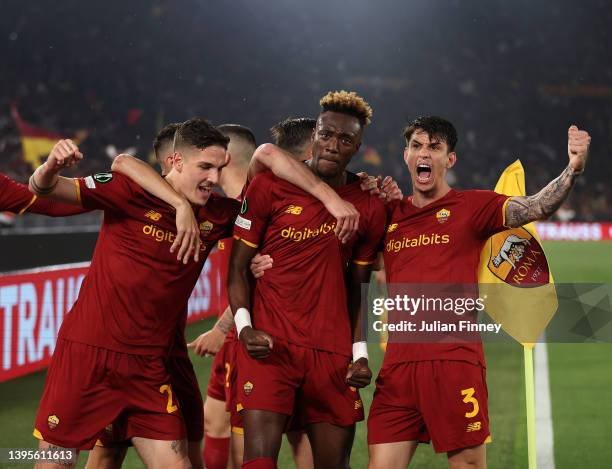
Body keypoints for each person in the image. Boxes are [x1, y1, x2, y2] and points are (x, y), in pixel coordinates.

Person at [367, 117, 591, 469]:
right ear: (406, 155)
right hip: (397, 369)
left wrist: (573, 168)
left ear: (449, 160)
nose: (424, 153)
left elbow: (535, 206)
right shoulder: (389, 215)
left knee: (469, 465)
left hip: (454, 361)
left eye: (434, 147)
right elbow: (361, 262)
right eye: (417, 146)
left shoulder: (473, 206)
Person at [30, 118, 238, 469]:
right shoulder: (128, 192)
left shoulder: (218, 215)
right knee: (56, 461)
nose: (214, 179)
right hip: (88, 356)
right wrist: (50, 166)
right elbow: (44, 188)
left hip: (148, 368)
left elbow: (273, 215)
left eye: (220, 169)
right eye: (205, 167)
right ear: (176, 161)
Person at [228, 91, 387, 469]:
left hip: (330, 354)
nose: (333, 145)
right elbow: (237, 268)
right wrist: (244, 329)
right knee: (258, 463)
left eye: (345, 139)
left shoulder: (369, 204)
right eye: (326, 134)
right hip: (269, 345)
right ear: (314, 133)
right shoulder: (268, 187)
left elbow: (358, 287)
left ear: (358, 147)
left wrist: (360, 354)